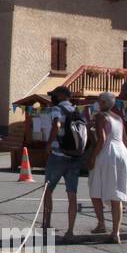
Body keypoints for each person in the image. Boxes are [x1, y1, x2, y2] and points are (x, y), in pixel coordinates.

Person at [87, 91, 127, 243]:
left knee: (95, 186)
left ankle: (101, 223)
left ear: (103, 103)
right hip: (122, 152)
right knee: (117, 194)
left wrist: (93, 157)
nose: (97, 103)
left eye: (99, 101)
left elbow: (102, 139)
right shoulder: (118, 118)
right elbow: (125, 140)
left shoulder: (101, 116)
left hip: (108, 153)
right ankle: (116, 232)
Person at [41, 86, 86, 240]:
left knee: (48, 190)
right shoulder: (76, 110)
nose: (52, 97)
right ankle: (70, 231)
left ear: (61, 96)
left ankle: (46, 224)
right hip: (75, 156)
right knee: (72, 194)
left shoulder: (57, 109)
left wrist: (48, 144)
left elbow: (57, 125)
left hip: (58, 154)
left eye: (54, 95)